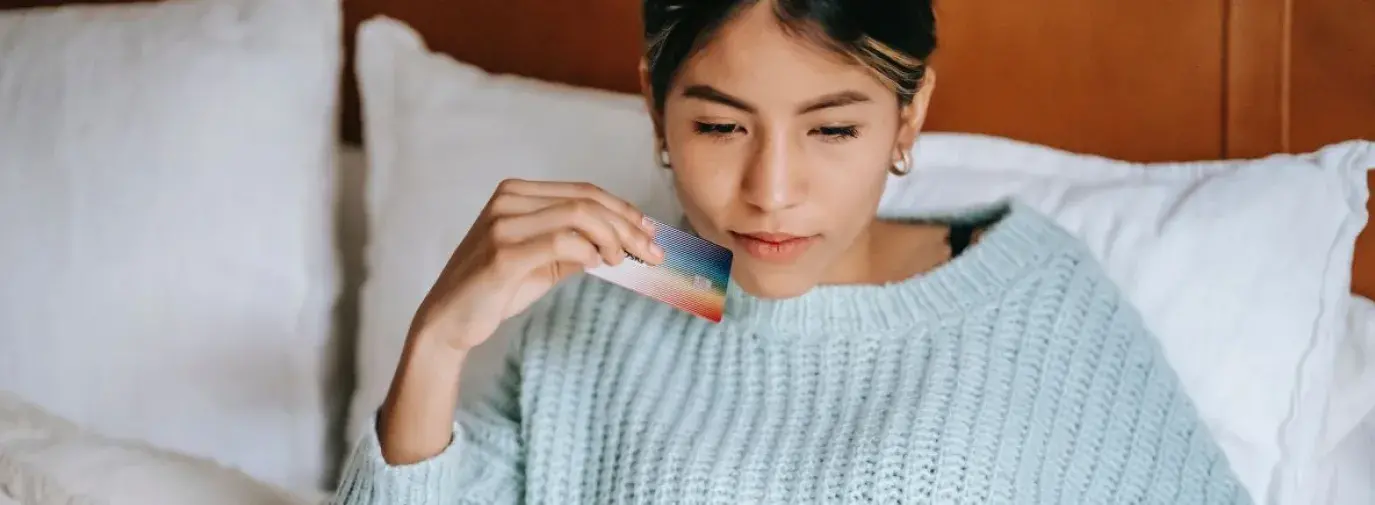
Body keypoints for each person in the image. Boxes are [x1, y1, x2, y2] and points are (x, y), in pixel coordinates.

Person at [332, 0, 1254, 503]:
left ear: (910, 115)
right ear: (656, 107)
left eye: (832, 130)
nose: (771, 190)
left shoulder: (1021, 295)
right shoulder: (626, 278)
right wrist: (437, 345)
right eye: (721, 124)